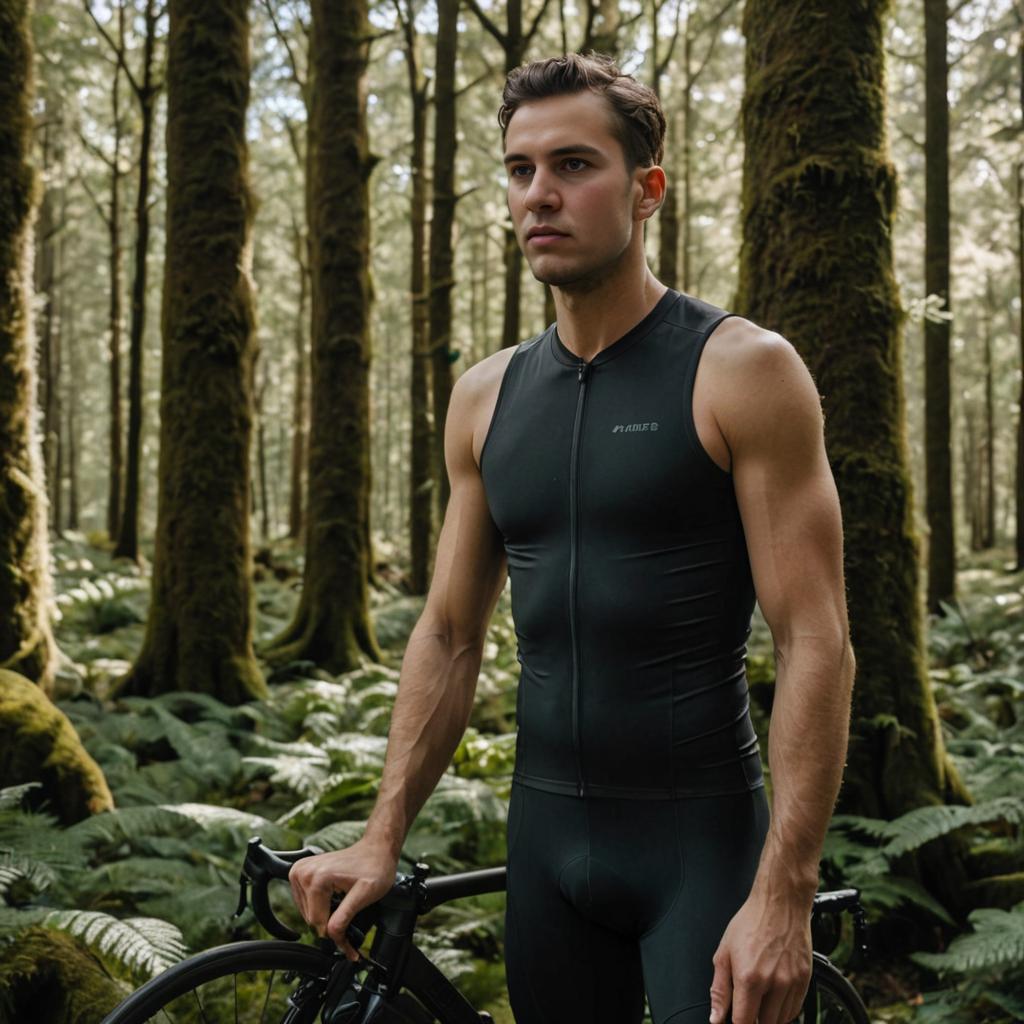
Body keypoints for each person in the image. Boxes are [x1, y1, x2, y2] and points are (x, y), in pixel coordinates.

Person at [289, 52, 856, 1024]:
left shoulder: (741, 371)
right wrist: (381, 834)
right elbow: (449, 633)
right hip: (545, 848)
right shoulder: (485, 398)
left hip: (702, 844)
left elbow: (815, 641)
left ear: (647, 190)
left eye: (573, 165)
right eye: (519, 169)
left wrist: (782, 894)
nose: (538, 194)